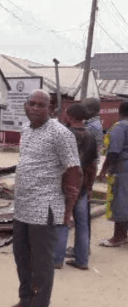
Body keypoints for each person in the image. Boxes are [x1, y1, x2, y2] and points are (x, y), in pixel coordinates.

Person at [0, 90, 82, 307]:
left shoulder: (61, 134)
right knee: (22, 258)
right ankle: (25, 304)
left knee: (42, 265)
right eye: (31, 104)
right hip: (23, 207)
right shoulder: (26, 130)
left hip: (45, 209)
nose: (34, 108)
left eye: (40, 105)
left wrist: (69, 209)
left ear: (50, 109)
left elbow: (74, 171)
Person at [53, 104, 98, 270]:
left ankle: (57, 259)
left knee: (63, 221)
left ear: (70, 115)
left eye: (65, 113)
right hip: (82, 186)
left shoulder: (64, 135)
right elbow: (93, 166)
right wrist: (90, 186)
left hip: (65, 185)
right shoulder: (91, 137)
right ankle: (82, 260)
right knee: (82, 224)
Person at [98, 99, 128, 247]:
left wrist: (104, 169)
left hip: (122, 169)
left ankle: (118, 237)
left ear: (119, 111)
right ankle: (124, 235)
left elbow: (113, 152)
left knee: (119, 201)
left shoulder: (120, 127)